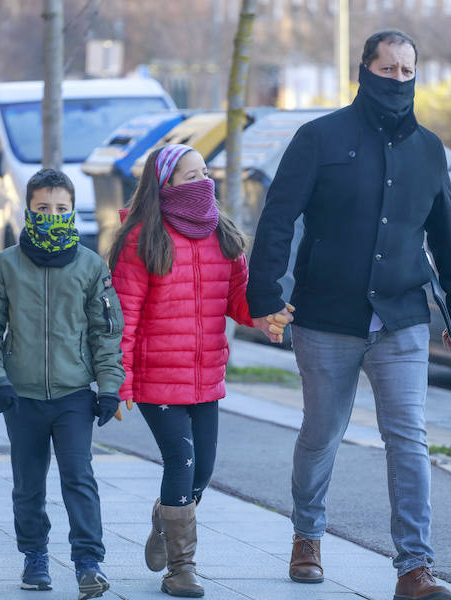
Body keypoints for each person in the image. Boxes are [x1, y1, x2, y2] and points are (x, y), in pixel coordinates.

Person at [246, 30, 451, 600]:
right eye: (388, 69)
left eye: (407, 71)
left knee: (409, 440)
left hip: (402, 317)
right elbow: (277, 220)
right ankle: (307, 533)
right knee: (323, 433)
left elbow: (447, 236)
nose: (398, 80)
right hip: (327, 316)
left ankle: (415, 568)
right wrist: (266, 295)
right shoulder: (318, 138)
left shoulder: (429, 150)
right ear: (364, 71)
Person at [108, 144, 269, 598]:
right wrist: (119, 383)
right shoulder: (142, 239)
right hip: (156, 377)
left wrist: (264, 315)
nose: (201, 184)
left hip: (205, 377)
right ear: (165, 186)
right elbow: (125, 317)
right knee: (181, 461)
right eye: (188, 176)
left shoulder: (224, 235)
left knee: (204, 469)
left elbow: (238, 300)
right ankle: (181, 569)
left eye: (204, 174)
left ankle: (166, 516)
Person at [0, 168, 125, 599]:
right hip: (21, 397)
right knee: (28, 483)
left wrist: (109, 387)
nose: (52, 215)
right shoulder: (5, 266)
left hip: (75, 394)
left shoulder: (91, 266)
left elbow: (106, 332)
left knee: (79, 476)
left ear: (73, 211)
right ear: (28, 210)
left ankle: (89, 563)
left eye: (61, 208)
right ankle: (34, 556)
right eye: (43, 208)